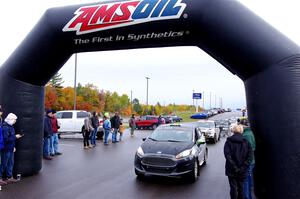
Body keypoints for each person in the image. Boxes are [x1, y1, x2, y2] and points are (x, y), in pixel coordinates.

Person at [224, 124, 253, 199]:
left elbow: (227, 155)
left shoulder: (228, 141)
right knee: (241, 188)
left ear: (233, 131)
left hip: (231, 170)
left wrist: (234, 167)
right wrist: (243, 167)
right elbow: (250, 156)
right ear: (241, 131)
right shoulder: (246, 142)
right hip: (243, 170)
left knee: (233, 188)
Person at [1, 113, 23, 183]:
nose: (15, 121)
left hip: (10, 148)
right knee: (3, 164)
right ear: (10, 119)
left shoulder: (10, 126)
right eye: (14, 120)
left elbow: (10, 138)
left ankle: (9, 177)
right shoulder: (5, 127)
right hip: (5, 149)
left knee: (10, 163)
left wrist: (13, 147)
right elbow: (5, 139)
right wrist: (15, 137)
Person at [239, 118, 256, 199]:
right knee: (249, 180)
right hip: (251, 161)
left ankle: (247, 197)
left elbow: (246, 150)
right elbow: (254, 147)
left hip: (247, 162)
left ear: (243, 126)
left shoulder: (245, 135)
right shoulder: (250, 133)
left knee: (245, 181)